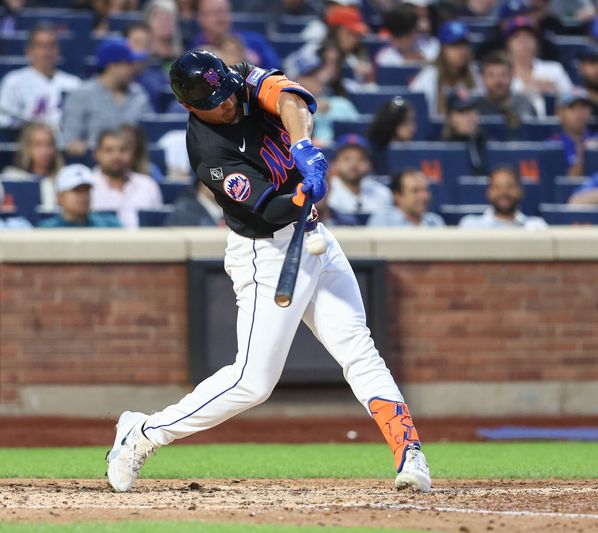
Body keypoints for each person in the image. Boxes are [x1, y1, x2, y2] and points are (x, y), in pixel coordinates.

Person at [105, 49, 430, 494]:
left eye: (225, 95)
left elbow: (291, 101)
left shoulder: (237, 80)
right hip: (267, 252)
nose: (226, 105)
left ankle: (409, 452)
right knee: (252, 382)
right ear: (189, 106)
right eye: (214, 103)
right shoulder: (208, 151)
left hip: (315, 239)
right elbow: (268, 208)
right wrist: (302, 195)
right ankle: (143, 434)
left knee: (358, 350)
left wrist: (302, 148)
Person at [61, 39, 153, 157]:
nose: (133, 69)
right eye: (128, 64)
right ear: (112, 66)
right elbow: (70, 140)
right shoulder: (82, 94)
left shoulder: (139, 93)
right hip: (95, 165)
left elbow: (151, 132)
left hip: (135, 163)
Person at [0, 23, 81, 128]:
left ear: (58, 50)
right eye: (40, 46)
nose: (47, 52)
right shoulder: (14, 81)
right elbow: (4, 121)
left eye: (51, 45)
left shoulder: (74, 84)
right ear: (28, 51)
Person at [90, 128, 163, 229]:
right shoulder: (85, 187)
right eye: (109, 150)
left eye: (123, 150)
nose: (116, 156)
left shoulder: (148, 185)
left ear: (132, 153)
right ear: (96, 154)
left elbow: (157, 227)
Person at [504, 16, 573, 118]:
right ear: (508, 44)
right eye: (517, 37)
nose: (524, 42)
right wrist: (525, 92)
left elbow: (572, 99)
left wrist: (555, 92)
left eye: (529, 36)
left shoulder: (554, 69)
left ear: (536, 42)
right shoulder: (501, 74)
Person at [410, 21, 479, 116]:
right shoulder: (428, 76)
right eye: (455, 45)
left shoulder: (473, 72)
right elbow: (415, 110)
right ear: (443, 48)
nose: (462, 51)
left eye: (465, 45)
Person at [191, 0, 280, 68]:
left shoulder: (255, 41)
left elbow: (276, 71)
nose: (221, 17)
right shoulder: (195, 49)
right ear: (200, 17)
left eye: (224, 11)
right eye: (214, 12)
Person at [458, 165, 548, 229]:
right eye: (497, 187)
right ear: (488, 192)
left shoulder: (536, 226)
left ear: (520, 191)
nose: (503, 192)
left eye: (510, 186)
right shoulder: (471, 226)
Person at [474, 51, 537, 139]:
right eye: (491, 76)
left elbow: (529, 135)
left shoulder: (523, 103)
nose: (498, 81)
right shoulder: (475, 106)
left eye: (503, 75)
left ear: (511, 76)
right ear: (483, 79)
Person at [1, 121, 63, 210]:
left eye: (49, 144)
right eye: (38, 144)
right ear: (27, 147)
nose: (45, 151)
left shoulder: (63, 179)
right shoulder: (11, 177)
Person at [327, 134, 393, 215]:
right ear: (334, 164)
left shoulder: (382, 193)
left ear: (369, 164)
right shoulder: (326, 194)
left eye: (361, 159)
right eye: (347, 159)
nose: (353, 164)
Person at [38, 164, 122, 228]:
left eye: (86, 190)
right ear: (59, 197)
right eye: (76, 190)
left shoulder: (110, 225)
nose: (83, 196)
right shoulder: (46, 229)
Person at [552, 89, 598, 176]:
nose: (579, 112)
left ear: (590, 111)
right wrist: (584, 155)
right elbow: (563, 184)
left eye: (583, 107)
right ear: (559, 113)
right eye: (572, 107)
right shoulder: (553, 146)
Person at [367, 168, 444, 227]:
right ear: (397, 196)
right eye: (415, 191)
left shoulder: (435, 222)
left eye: (425, 190)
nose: (424, 196)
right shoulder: (382, 222)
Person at [441, 92, 487, 175]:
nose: (470, 118)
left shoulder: (485, 142)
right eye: (463, 113)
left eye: (472, 111)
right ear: (451, 117)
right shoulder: (443, 149)